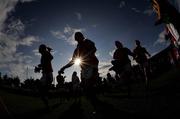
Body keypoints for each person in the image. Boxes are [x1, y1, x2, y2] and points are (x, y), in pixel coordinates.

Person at [59, 32, 99, 111]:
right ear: (75, 39)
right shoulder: (76, 50)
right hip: (84, 68)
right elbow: (72, 61)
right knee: (86, 87)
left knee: (89, 86)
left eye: (79, 36)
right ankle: (94, 100)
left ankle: (95, 104)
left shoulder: (87, 41)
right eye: (76, 37)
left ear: (82, 36)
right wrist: (64, 67)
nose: (77, 38)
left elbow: (94, 49)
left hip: (92, 65)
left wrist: (87, 55)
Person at [34, 44, 53, 110]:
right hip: (45, 74)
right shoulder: (43, 55)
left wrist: (49, 51)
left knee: (42, 91)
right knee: (41, 91)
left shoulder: (45, 53)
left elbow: (51, 58)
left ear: (42, 49)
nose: (39, 49)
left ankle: (48, 98)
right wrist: (39, 67)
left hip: (47, 74)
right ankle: (47, 104)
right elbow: (45, 63)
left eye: (39, 48)